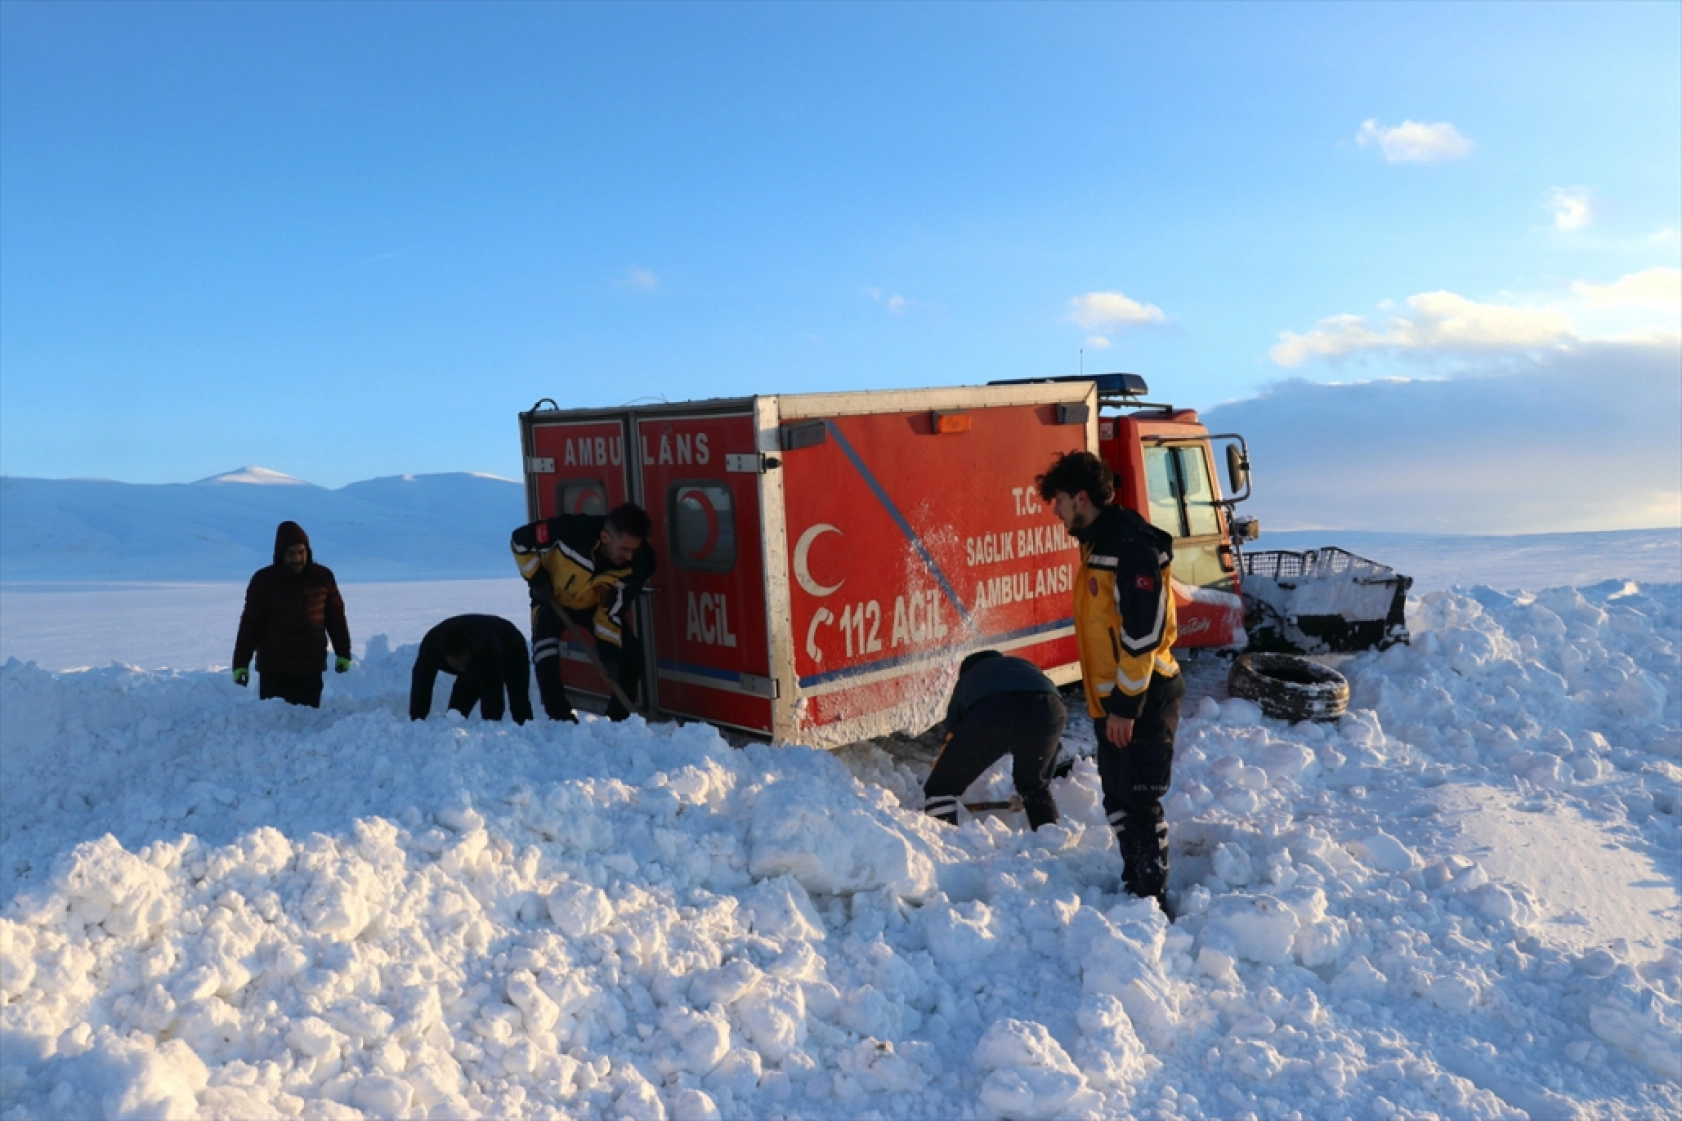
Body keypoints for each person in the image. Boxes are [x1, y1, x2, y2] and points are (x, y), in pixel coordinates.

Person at [1037, 450, 1184, 915]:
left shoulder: (1131, 545)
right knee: (1118, 800)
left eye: (1059, 501)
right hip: (1112, 705)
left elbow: (1142, 634)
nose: (1056, 512)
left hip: (1142, 701)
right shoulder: (1098, 542)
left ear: (1082, 498)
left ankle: (1152, 903)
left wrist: (1125, 706)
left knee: (1140, 803)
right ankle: (1134, 885)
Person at [510, 502, 656, 722]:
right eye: (624, 550)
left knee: (630, 655)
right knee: (544, 653)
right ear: (606, 537)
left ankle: (619, 720)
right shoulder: (569, 531)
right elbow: (520, 541)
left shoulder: (637, 566)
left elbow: (610, 614)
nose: (629, 557)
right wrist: (537, 579)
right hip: (552, 598)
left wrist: (609, 658)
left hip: (594, 606)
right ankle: (560, 718)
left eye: (634, 550)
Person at [923, 650, 1067, 830]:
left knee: (940, 789)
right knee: (1033, 786)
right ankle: (1051, 839)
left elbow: (952, 732)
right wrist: (1039, 780)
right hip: (1050, 708)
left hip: (996, 708)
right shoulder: (1021, 665)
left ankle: (941, 843)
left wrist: (944, 773)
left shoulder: (969, 677)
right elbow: (1054, 748)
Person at [232, 520, 352, 707]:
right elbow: (250, 624)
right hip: (274, 669)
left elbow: (336, 618)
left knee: (307, 725)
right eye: (291, 554)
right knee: (275, 724)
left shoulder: (323, 577)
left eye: (300, 552)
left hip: (310, 667)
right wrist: (240, 663)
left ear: (308, 551)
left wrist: (343, 652)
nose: (297, 558)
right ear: (281, 554)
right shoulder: (263, 581)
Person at [409, 614, 534, 724]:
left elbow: (493, 690)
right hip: (477, 652)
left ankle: (526, 729)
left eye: (465, 662)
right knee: (456, 711)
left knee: (518, 697)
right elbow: (421, 685)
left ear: (470, 650)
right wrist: (417, 719)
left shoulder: (486, 647)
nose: (462, 668)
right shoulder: (430, 650)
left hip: (511, 645)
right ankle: (453, 728)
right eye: (456, 666)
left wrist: (491, 725)